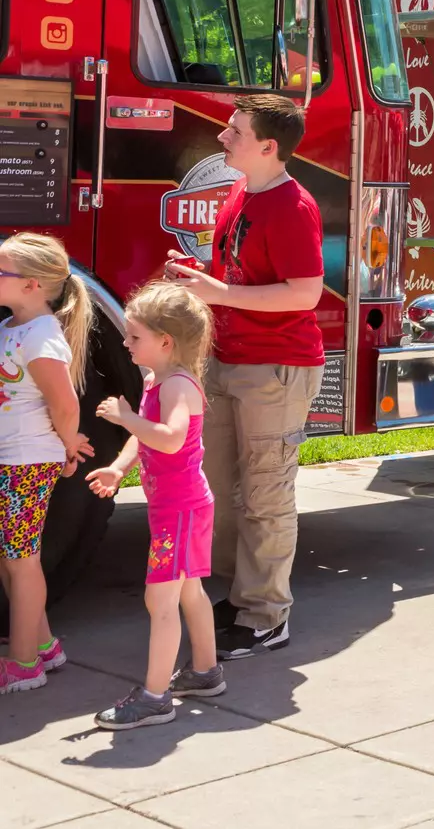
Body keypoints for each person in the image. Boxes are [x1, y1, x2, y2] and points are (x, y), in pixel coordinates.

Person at [165, 93, 326, 659]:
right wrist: (197, 279)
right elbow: (237, 272)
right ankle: (241, 596)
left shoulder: (293, 206)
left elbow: (305, 292)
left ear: (268, 146)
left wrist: (221, 292)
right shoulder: (241, 192)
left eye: (234, 131)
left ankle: (266, 615)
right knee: (222, 489)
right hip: (230, 362)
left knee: (265, 494)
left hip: (275, 369)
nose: (221, 138)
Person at [85, 283, 224, 728]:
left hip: (181, 510)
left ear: (166, 341)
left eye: (134, 337)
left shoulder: (179, 386)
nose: (126, 344)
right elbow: (143, 437)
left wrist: (127, 417)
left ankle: (154, 697)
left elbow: (170, 437)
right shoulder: (155, 380)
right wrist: (118, 468)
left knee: (159, 600)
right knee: (189, 591)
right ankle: (205, 673)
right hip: (181, 507)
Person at [0, 234, 93, 695]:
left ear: (32, 285)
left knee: (21, 561)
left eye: (2, 271)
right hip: (12, 460)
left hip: (26, 461)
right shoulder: (13, 327)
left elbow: (64, 404)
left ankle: (22, 664)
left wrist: (67, 447)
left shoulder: (41, 336)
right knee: (11, 558)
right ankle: (44, 647)